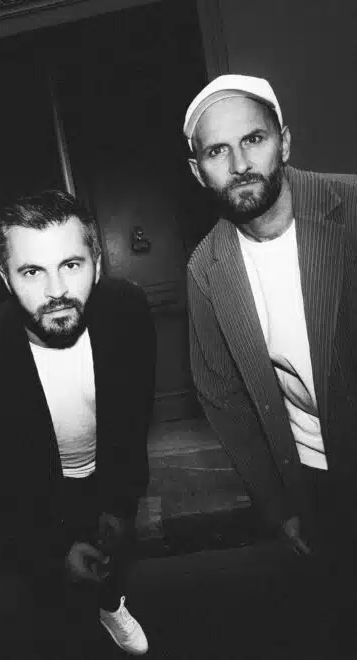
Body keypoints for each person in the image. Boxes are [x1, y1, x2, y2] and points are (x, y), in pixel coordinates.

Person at [0, 190, 155, 657]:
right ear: (5, 278)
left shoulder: (127, 312)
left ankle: (112, 604)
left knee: (111, 557)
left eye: (71, 265)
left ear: (96, 265)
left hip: (105, 471)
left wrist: (121, 502)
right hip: (35, 489)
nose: (56, 290)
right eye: (31, 272)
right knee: (56, 603)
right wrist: (49, 549)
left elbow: (134, 415)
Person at [184, 74, 357, 630]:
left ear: (284, 142)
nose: (239, 164)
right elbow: (224, 399)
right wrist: (279, 506)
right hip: (316, 485)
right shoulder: (206, 268)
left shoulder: (350, 207)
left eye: (253, 139)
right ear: (198, 171)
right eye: (217, 151)